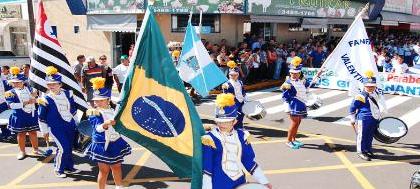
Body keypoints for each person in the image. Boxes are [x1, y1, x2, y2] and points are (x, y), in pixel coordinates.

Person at [202, 93, 272, 189]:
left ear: (234, 121)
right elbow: (207, 169)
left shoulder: (242, 136)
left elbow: (249, 162)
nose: (222, 125)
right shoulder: (210, 139)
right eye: (219, 121)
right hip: (219, 184)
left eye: (226, 121)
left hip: (239, 182)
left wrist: (264, 181)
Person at [84, 77, 131, 189]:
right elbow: (98, 128)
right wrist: (106, 123)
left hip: (115, 141)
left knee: (116, 167)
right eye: (96, 100)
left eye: (101, 100)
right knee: (104, 171)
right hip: (102, 144)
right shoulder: (94, 113)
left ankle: (119, 186)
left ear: (107, 100)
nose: (97, 102)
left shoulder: (114, 110)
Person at [38, 66, 78, 178]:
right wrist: (44, 130)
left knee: (69, 147)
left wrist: (76, 122)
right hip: (55, 127)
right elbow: (41, 116)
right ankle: (58, 169)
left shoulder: (68, 94)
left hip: (69, 125)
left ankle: (68, 166)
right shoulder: (45, 98)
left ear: (60, 84)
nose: (51, 86)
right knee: (63, 148)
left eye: (54, 84)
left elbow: (73, 109)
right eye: (49, 84)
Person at [5, 67, 41, 160]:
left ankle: (36, 149)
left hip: (31, 114)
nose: (16, 84)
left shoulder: (30, 89)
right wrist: (25, 103)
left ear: (23, 81)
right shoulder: (9, 93)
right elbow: (11, 105)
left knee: (33, 132)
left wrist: (35, 96)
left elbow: (36, 96)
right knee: (21, 134)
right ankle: (22, 151)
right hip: (19, 116)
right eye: (14, 82)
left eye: (18, 82)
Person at [349, 70, 383, 161]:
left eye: (372, 86)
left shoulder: (376, 93)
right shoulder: (360, 96)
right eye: (368, 86)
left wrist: (379, 116)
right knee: (362, 136)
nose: (370, 88)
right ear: (364, 86)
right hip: (363, 119)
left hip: (373, 119)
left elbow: (376, 106)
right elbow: (352, 108)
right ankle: (360, 152)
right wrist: (352, 119)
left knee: (370, 135)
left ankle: (367, 150)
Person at [280, 57, 310, 149]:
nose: (294, 75)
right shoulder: (288, 83)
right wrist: (289, 104)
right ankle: (288, 141)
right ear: (290, 72)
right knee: (294, 123)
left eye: (296, 73)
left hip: (300, 103)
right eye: (292, 73)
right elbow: (284, 96)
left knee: (298, 122)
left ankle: (293, 139)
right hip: (293, 105)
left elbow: (308, 85)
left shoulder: (301, 80)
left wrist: (318, 75)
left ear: (299, 73)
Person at [222, 64, 247, 129]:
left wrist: (245, 97)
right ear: (229, 75)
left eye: (235, 75)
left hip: (241, 101)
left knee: (241, 115)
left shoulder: (240, 82)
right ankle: (233, 128)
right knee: (234, 117)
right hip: (233, 103)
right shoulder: (225, 84)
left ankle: (240, 127)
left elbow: (243, 91)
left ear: (238, 75)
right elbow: (225, 96)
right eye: (231, 75)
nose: (233, 76)